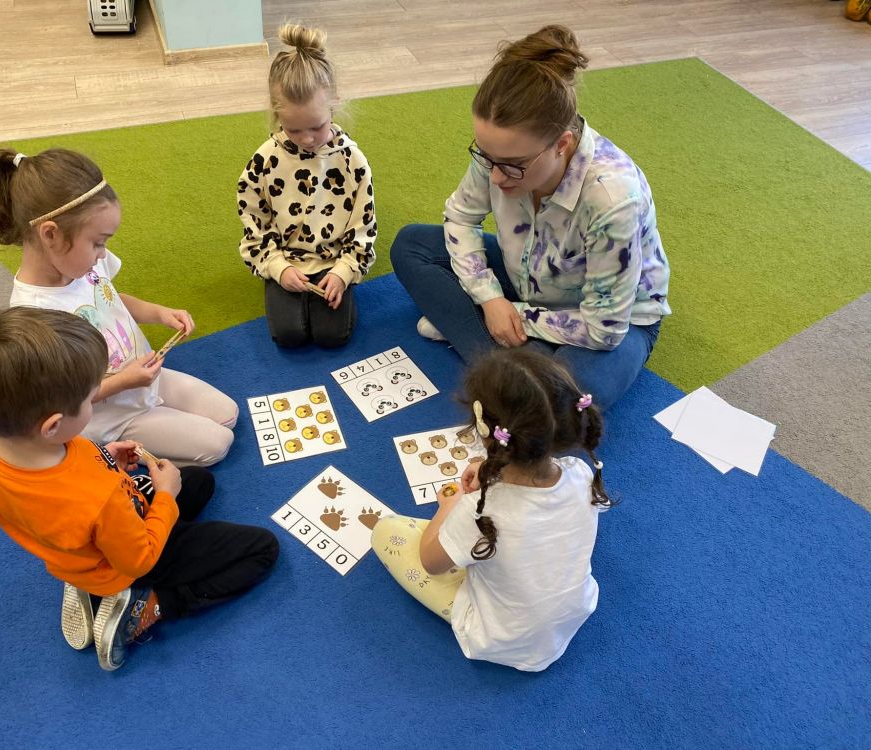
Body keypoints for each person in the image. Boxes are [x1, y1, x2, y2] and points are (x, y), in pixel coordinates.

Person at [0, 307, 279, 671]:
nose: (96, 399)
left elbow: (46, 489)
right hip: (125, 561)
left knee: (199, 482)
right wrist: (165, 497)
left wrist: (104, 457)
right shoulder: (97, 498)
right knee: (262, 549)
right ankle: (150, 603)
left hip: (77, 544)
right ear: (53, 426)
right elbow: (140, 557)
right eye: (90, 398)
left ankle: (82, 578)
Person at [391, 24, 670, 411]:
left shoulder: (613, 198)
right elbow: (460, 218)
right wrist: (490, 299)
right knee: (412, 245)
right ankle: (516, 364)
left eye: (513, 165)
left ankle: (493, 348)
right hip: (525, 278)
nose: (495, 176)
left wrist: (515, 316)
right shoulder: (501, 156)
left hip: (609, 320)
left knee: (570, 397)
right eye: (486, 156)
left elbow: (603, 329)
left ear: (562, 145)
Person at [0, 146, 238, 466]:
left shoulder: (81, 262)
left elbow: (110, 299)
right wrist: (125, 381)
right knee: (218, 444)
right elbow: (65, 400)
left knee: (228, 414)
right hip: (113, 416)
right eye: (98, 242)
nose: (103, 253)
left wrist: (159, 313)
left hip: (146, 379)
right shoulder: (33, 315)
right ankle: (109, 453)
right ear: (51, 234)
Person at [371, 347, 614, 672]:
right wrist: (489, 467)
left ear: (482, 428)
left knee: (386, 530)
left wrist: (449, 507)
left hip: (502, 639)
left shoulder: (478, 511)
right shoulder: (580, 473)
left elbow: (431, 563)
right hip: (572, 613)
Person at [237, 23, 377, 348]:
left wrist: (343, 272)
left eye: (317, 126)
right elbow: (255, 224)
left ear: (334, 103)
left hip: (334, 259)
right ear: (277, 116)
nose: (308, 140)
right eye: (294, 130)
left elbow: (364, 227)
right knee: (289, 335)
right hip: (286, 259)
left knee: (333, 336)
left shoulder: (352, 161)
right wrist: (278, 268)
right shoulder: (264, 161)